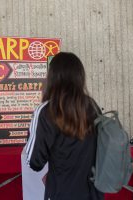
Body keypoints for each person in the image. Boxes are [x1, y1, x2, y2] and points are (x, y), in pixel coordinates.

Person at [26, 52, 104, 200]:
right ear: (79, 77)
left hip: (61, 193)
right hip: (93, 193)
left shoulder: (46, 111)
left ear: (53, 77)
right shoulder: (92, 106)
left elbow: (34, 162)